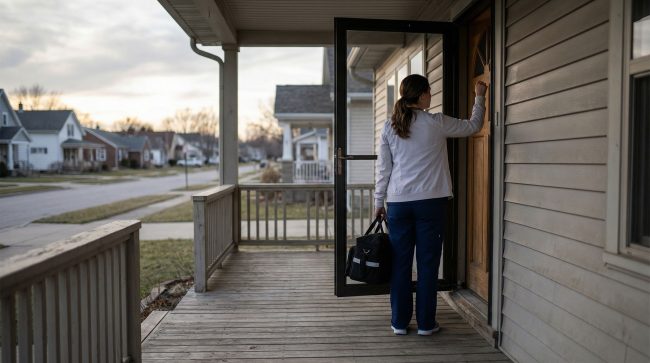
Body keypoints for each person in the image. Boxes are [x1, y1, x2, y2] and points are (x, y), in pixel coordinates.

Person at [374, 74, 487, 336]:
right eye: (429, 91)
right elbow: (473, 126)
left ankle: (399, 323)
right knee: (427, 265)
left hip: (399, 203)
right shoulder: (436, 122)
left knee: (401, 265)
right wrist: (479, 96)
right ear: (422, 94)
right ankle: (426, 324)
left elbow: (383, 168)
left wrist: (379, 201)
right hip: (430, 203)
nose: (431, 95)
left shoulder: (389, 126)